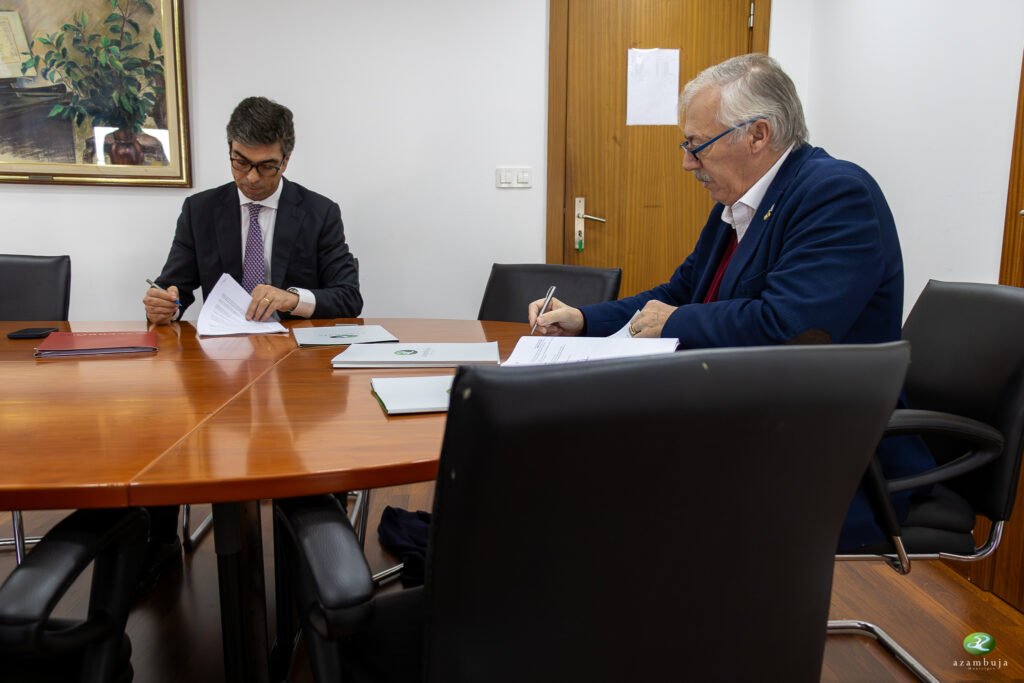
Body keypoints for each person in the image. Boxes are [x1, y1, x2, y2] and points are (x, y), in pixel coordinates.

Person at [528, 53, 933, 550]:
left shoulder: (836, 194)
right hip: (745, 418)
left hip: (821, 449)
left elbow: (790, 328)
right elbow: (678, 294)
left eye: (697, 146)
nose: (687, 163)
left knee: (619, 484)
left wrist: (676, 322)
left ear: (758, 135)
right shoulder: (740, 203)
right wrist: (584, 319)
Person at [139, 96, 362, 590]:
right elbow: (176, 285)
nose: (252, 178)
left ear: (287, 159)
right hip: (220, 368)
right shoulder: (201, 210)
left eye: (266, 166)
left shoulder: (319, 212)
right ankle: (158, 545)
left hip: (297, 369)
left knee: (309, 448)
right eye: (241, 163)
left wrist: (292, 298)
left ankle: (315, 547)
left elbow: (348, 296)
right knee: (163, 426)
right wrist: (165, 302)